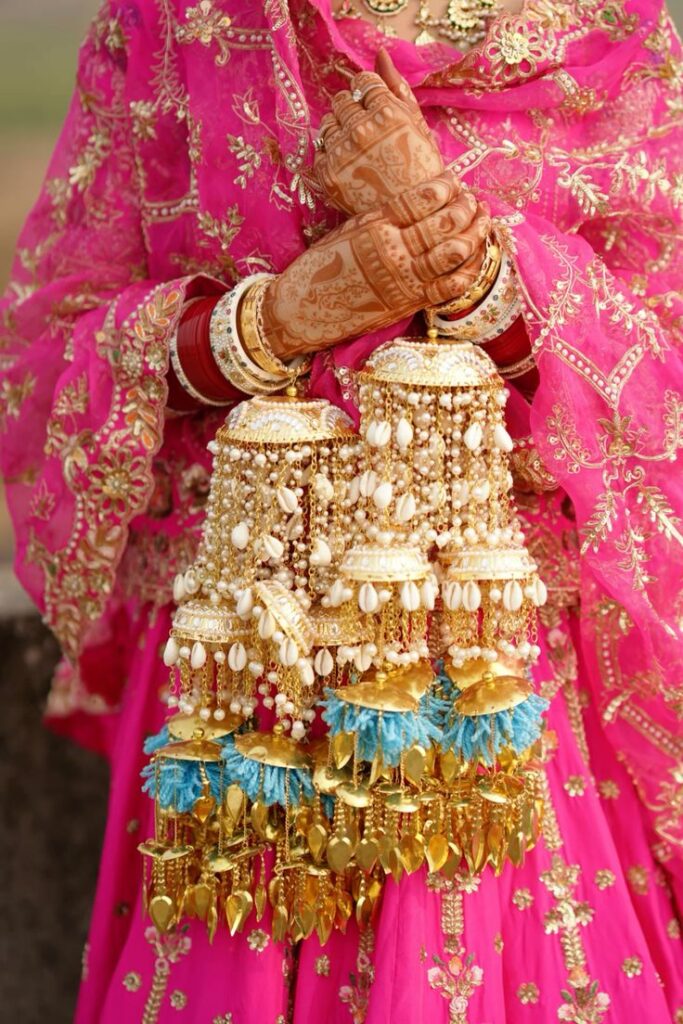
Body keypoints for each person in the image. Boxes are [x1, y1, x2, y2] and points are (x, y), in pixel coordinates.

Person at [1, 0, 682, 1020]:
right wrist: (270, 321)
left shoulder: (602, 35)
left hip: (503, 673)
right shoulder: (180, 24)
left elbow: (662, 378)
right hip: (247, 675)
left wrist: (475, 270)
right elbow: (45, 366)